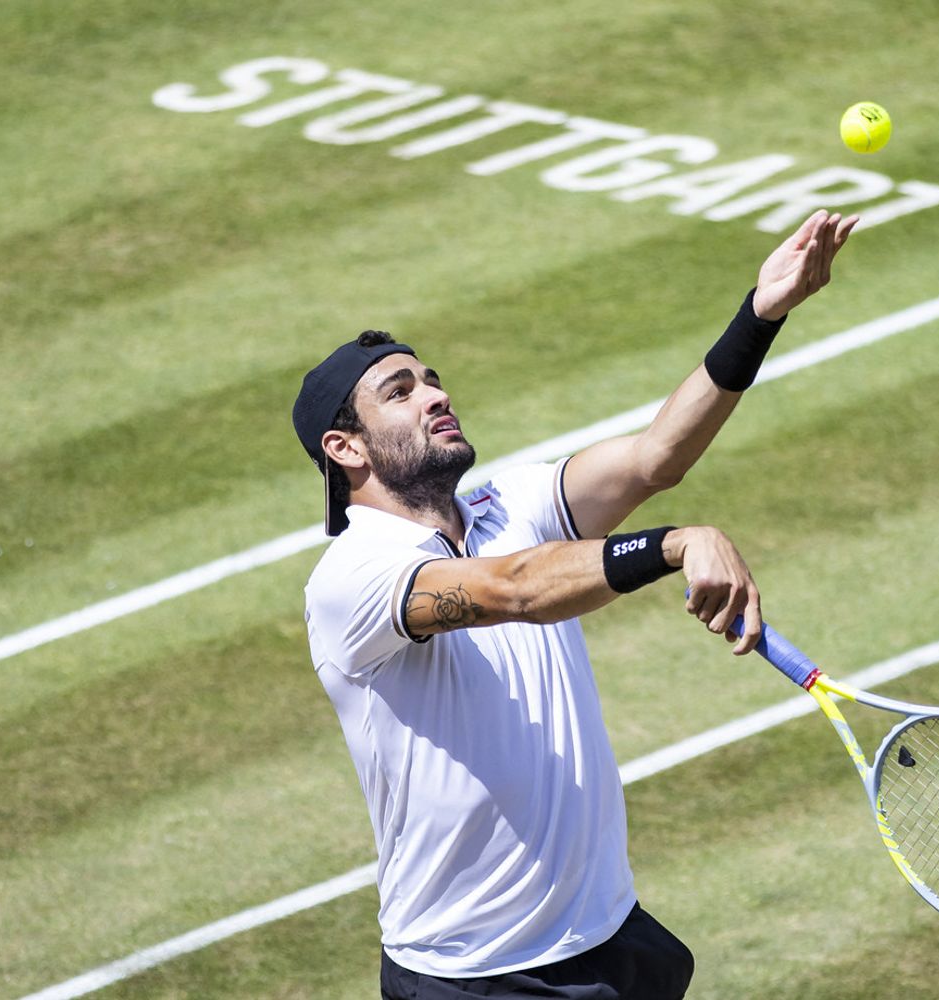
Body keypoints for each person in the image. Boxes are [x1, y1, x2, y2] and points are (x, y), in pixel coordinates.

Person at [292, 210, 857, 999]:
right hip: (479, 974)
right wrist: (669, 546)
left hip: (606, 932)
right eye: (401, 391)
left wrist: (761, 313)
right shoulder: (354, 574)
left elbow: (657, 455)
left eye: (432, 377)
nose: (437, 393)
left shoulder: (506, 502)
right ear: (345, 448)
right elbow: (515, 590)